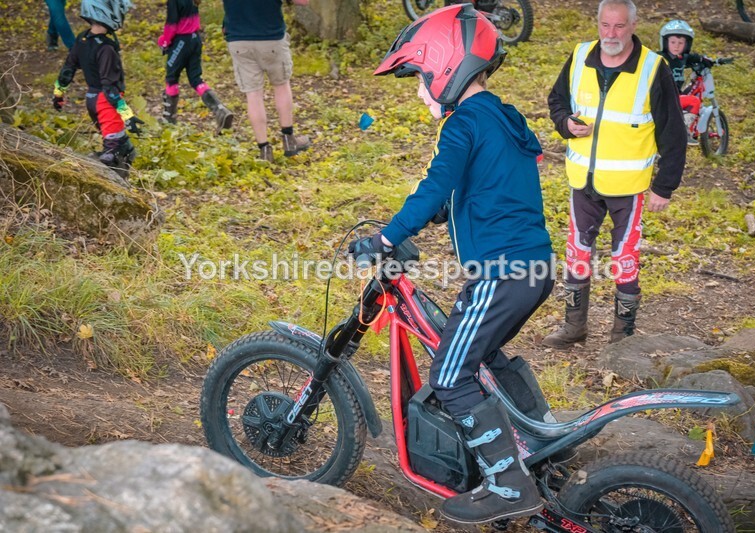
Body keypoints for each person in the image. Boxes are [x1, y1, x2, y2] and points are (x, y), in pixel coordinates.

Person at [349, 4, 554, 524]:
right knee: (483, 357)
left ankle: (509, 486)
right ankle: (541, 440)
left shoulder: (462, 123)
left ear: (446, 65)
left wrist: (385, 236)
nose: (420, 91)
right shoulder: (502, 116)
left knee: (449, 372)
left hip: (500, 274)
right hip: (533, 268)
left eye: (419, 77)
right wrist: (449, 211)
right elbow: (491, 182)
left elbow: (435, 185)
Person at [545, 0, 686, 347]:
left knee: (625, 259)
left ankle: (622, 338)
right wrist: (565, 123)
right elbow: (556, 100)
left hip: (629, 187)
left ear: (633, 26)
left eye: (619, 26)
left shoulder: (654, 68)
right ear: (598, 25)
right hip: (583, 182)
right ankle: (574, 327)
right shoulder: (580, 57)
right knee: (576, 252)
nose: (611, 34)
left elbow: (673, 132)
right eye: (605, 26)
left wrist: (664, 187)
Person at [53, 0, 143, 179]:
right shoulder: (106, 48)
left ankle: (123, 177)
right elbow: (110, 88)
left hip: (91, 100)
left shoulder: (82, 39)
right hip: (105, 104)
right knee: (113, 153)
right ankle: (114, 192)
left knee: (121, 145)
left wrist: (58, 93)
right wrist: (127, 115)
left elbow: (68, 69)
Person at [221, 0, 311, 162]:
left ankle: (264, 149)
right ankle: (289, 141)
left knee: (253, 95)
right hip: (271, 37)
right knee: (281, 86)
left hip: (238, 39)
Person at [158, 0, 234, 133]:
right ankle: (220, 110)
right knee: (195, 79)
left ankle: (169, 119)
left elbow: (171, 25)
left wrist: (165, 41)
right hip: (195, 39)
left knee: (171, 78)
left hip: (181, 41)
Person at [657, 19, 713, 146]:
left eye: (680, 43)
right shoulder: (660, 58)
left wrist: (704, 59)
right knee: (694, 101)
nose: (676, 46)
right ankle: (684, 132)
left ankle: (680, 122)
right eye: (673, 42)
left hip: (675, 95)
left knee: (688, 92)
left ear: (686, 45)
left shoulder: (681, 58)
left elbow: (693, 57)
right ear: (665, 42)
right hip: (665, 97)